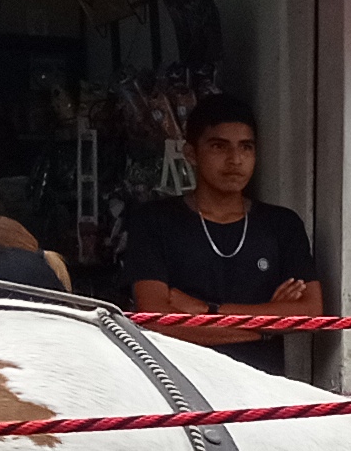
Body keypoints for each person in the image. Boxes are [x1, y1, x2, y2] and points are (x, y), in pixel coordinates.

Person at [117, 95, 325, 375]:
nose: (235, 160)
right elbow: (156, 322)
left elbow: (310, 312)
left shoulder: (281, 225)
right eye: (219, 146)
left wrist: (207, 310)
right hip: (180, 390)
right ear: (191, 153)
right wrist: (268, 325)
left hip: (262, 392)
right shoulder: (155, 221)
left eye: (246, 147)